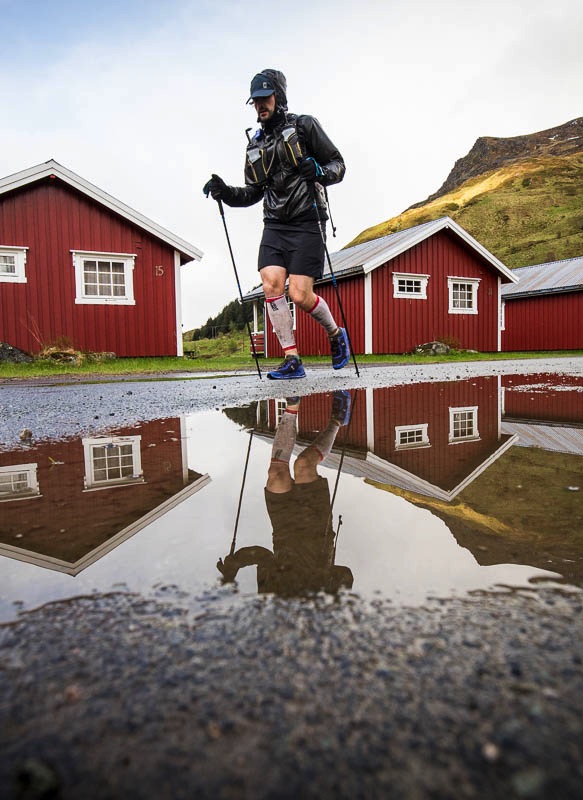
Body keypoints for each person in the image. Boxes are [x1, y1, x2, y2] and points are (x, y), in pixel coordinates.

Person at [203, 69, 350, 380]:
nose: (260, 106)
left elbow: (338, 164)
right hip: (275, 223)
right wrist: (226, 193)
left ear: (279, 97)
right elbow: (252, 193)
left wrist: (320, 173)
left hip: (308, 218)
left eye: (264, 99)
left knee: (299, 294)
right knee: (270, 282)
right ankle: (292, 359)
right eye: (255, 102)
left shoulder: (305, 125)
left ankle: (336, 334)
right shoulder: (255, 144)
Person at [217, 391, 354, 595]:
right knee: (304, 465)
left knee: (276, 475)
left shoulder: (270, 593)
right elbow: (346, 575)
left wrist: (235, 563)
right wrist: (331, 584)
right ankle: (337, 421)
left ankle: (292, 407)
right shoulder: (320, 606)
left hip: (284, 527)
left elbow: (263, 556)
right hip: (316, 527)